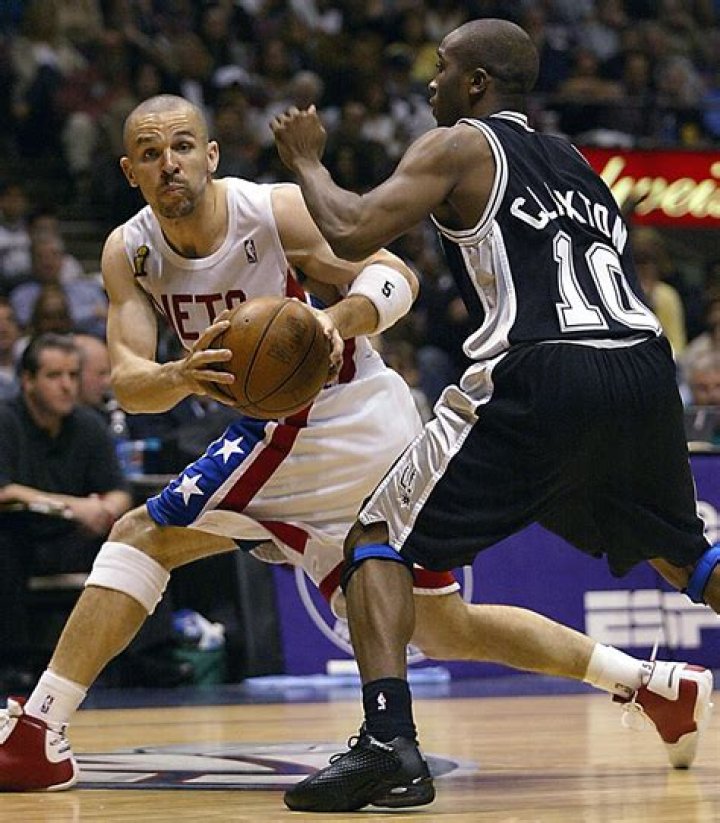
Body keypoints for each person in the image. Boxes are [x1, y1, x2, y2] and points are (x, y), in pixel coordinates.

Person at [0, 93, 707, 799]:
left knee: (142, 535)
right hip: (288, 432)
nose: (169, 164)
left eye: (183, 146)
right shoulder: (130, 250)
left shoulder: (270, 212)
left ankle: (39, 729)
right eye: (151, 154)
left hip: (340, 414)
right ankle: (652, 684)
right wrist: (179, 374)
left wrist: (334, 320)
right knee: (443, 625)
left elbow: (394, 274)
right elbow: (128, 383)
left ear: (210, 155)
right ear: (130, 171)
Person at [271, 18, 718, 813]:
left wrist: (307, 159)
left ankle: (387, 744)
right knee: (687, 558)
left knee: (374, 538)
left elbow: (349, 227)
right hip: (645, 368)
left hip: (541, 365)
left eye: (443, 67)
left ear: (477, 84)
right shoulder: (578, 162)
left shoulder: (460, 144)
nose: (430, 81)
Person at [0, 334, 131, 688]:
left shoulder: (88, 424)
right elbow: (5, 491)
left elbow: (119, 490)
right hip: (22, 533)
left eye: (73, 375)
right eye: (54, 376)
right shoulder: (6, 420)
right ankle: (13, 661)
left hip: (74, 537)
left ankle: (149, 656)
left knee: (136, 541)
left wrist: (105, 510)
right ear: (27, 380)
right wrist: (76, 508)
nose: (67, 386)